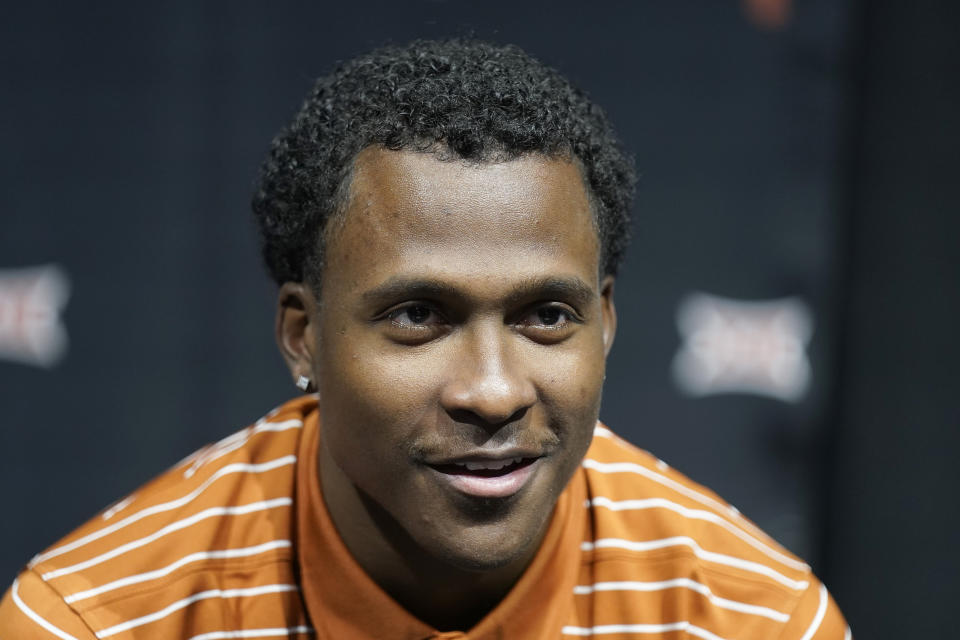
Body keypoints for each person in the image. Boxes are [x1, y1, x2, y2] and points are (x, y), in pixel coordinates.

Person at [0, 39, 850, 639]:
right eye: (419, 317)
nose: (492, 390)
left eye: (546, 316)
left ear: (608, 323)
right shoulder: (94, 622)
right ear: (303, 336)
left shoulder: (752, 620)